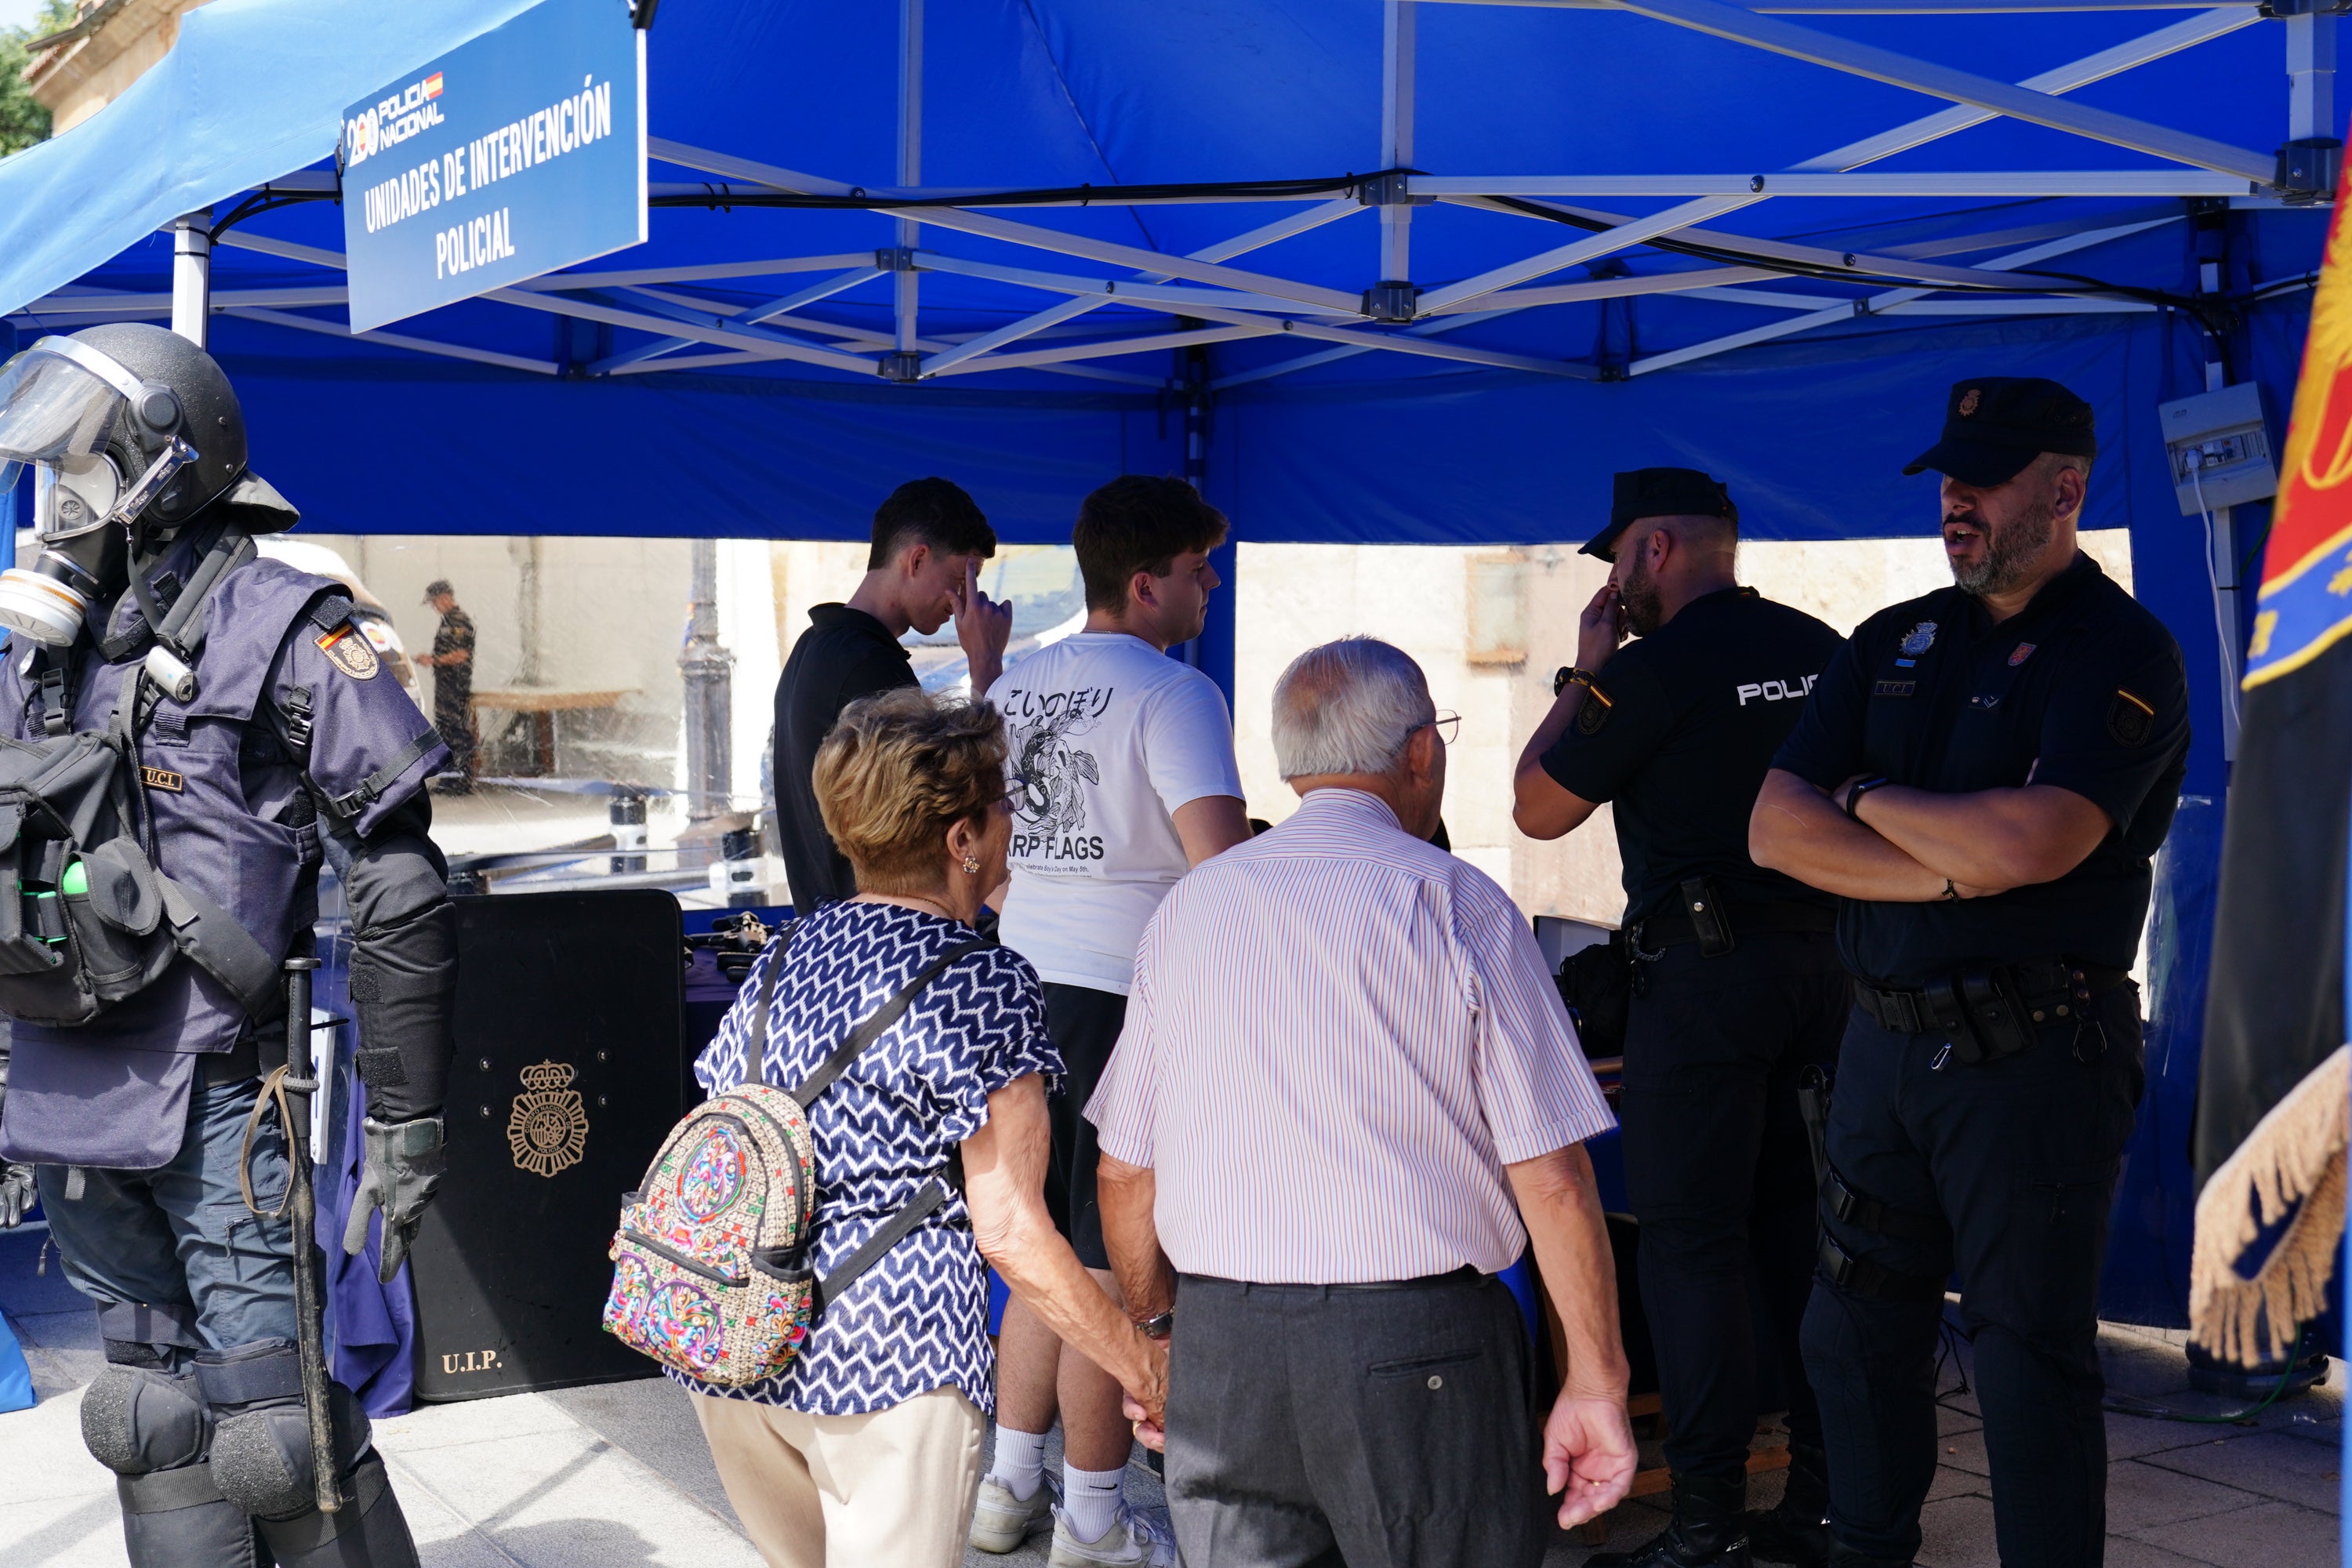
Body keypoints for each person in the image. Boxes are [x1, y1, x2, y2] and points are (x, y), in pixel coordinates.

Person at [0, 322, 458, 1566]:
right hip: (61, 1085)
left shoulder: (285, 626)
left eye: (85, 467)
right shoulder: (38, 652)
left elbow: (401, 874)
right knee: (147, 1409)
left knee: (272, 1425)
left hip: (216, 1089)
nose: (62, 501)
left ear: (164, 463)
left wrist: (406, 1122)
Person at [1751, 378, 2190, 1568]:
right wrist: (1944, 867)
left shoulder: (2122, 650)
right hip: (1882, 1049)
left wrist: (1868, 800)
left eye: (1986, 476)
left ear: (2065, 489)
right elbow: (1775, 830)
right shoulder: (1896, 638)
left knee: (2025, 1360)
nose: (1957, 497)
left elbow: (2034, 844)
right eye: (1950, 474)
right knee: (1852, 1338)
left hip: (2034, 1056)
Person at [1089, 636, 1639, 1568]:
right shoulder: (1454, 900)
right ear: (1421, 750)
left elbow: (1123, 1172)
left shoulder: (1189, 909)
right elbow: (1553, 1178)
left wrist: (1158, 1336)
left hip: (1227, 1347)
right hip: (1415, 1347)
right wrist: (1598, 1378)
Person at [681, 687, 1167, 1568]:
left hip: (741, 1344)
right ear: (962, 839)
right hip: (887, 1363)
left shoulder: (789, 950)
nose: (1013, 822)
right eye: (1001, 806)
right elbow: (1014, 1228)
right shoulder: (985, 981)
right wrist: (1142, 1363)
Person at [1512, 468, 1849, 1567]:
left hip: (1705, 990)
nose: (1616, 581)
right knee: (1814, 1244)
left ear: (1652, 549)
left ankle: (1706, 1527)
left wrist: (1585, 670)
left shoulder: (1649, 672)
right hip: (1831, 979)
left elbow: (1537, 805)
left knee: (1693, 1249)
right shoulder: (1823, 646)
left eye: (1619, 560)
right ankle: (1821, 1503)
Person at [972, 474, 1251, 1566]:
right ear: (1146, 584)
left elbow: (986, 855)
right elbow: (1224, 873)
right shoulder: (1175, 694)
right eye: (1198, 568)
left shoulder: (1017, 687)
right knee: (1105, 1270)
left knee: (1040, 1250)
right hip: (1122, 999)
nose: (1212, 585)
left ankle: (1007, 1487)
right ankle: (1090, 1515)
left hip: (1019, 985)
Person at [774, 477, 1012, 914]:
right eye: (960, 580)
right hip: (889, 937)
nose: (966, 599)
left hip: (835, 932)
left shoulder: (812, 647)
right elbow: (951, 807)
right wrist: (985, 665)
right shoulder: (869, 666)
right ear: (917, 559)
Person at [414, 578, 476, 792]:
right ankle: (451, 779)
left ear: (445, 598)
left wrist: (434, 661)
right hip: (446, 685)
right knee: (447, 731)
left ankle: (463, 780)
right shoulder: (448, 621)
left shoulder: (459, 621)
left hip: (456, 686)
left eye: (434, 602)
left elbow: (461, 655)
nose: (434, 607)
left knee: (458, 731)